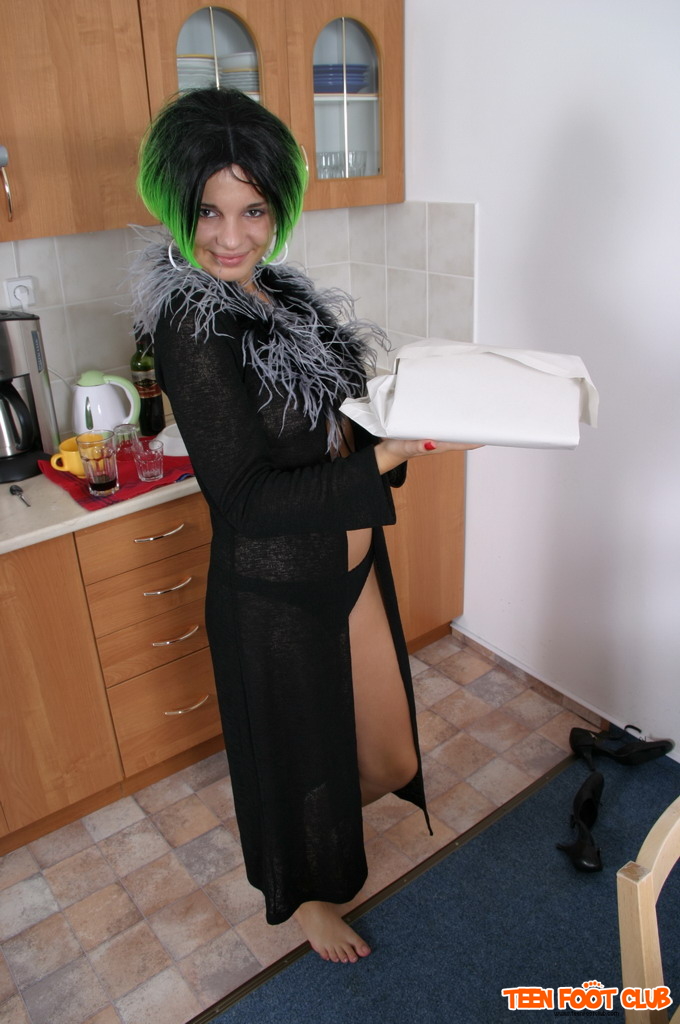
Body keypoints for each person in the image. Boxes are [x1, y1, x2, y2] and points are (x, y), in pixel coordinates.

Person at [131, 87, 478, 964]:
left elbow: (338, 421)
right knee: (291, 763)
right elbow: (244, 501)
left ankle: (315, 831)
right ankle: (305, 895)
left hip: (350, 568)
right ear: (177, 205)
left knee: (389, 760)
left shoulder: (283, 293)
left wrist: (416, 422)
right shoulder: (190, 325)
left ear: (278, 208)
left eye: (252, 210)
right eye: (208, 211)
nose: (230, 237)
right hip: (273, 591)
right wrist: (384, 459)